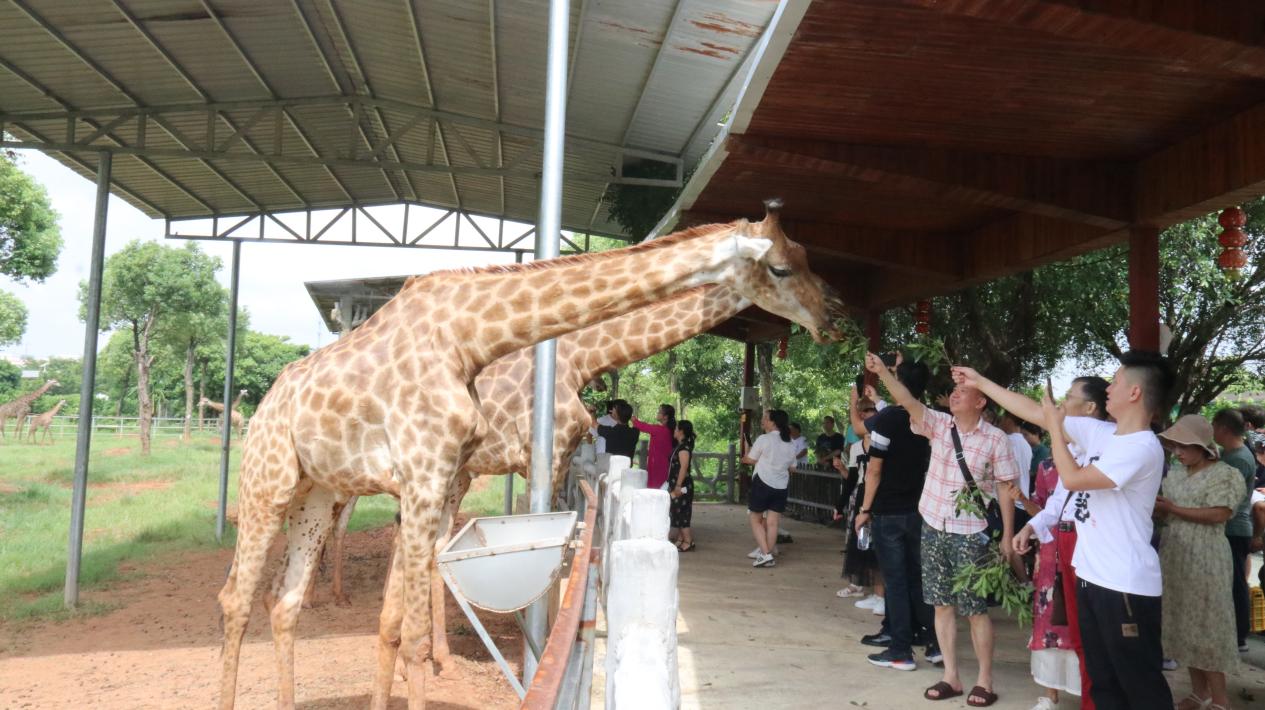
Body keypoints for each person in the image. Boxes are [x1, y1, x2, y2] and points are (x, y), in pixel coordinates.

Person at [957, 352, 1177, 709]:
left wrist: (1055, 430)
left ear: (1135, 393)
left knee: (1140, 685)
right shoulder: (1105, 433)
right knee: (1103, 682)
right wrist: (980, 382)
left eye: (1116, 381)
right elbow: (1035, 412)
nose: (1109, 388)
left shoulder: (1142, 447)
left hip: (1124, 585)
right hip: (1090, 575)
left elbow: (1073, 477)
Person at [867, 353, 1018, 706]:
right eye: (953, 390)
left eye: (963, 391)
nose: (954, 394)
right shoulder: (938, 425)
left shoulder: (997, 440)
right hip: (933, 527)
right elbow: (907, 400)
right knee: (941, 605)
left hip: (971, 533)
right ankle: (951, 676)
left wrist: (1008, 537)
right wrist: (883, 372)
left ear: (981, 402)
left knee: (975, 610)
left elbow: (1005, 489)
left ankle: (984, 681)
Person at [1008, 376, 1109, 710]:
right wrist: (1030, 528)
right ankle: (1063, 694)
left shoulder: (1110, 447)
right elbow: (1056, 505)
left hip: (1095, 554)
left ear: (1091, 408)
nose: (1062, 404)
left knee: (1095, 632)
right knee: (1065, 624)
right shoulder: (1065, 455)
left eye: (1069, 397)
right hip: (1060, 550)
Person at [849, 357, 938, 671]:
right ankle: (935, 645)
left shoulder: (887, 419)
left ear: (897, 383)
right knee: (918, 579)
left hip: (889, 512)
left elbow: (874, 470)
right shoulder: (930, 418)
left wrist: (864, 510)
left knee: (896, 582)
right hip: (920, 510)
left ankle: (900, 650)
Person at [1155, 414, 1246, 710]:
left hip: (1207, 556)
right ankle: (1198, 693)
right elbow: (1168, 510)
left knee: (1209, 627)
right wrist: (1159, 509)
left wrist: (1173, 509)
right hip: (1176, 553)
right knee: (1184, 624)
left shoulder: (1225, 474)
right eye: (1174, 446)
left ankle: (1219, 699)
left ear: (1202, 446)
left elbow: (1220, 513)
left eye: (1184, 446)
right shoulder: (1175, 474)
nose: (1178, 452)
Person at [1212, 408, 1256, 653]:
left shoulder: (1238, 458)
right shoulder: (1228, 454)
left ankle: (1239, 635)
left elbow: (1225, 497)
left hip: (1235, 529)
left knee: (1235, 583)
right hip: (1230, 528)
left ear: (1224, 428)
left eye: (1213, 426)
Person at [740, 409, 798, 568]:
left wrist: (746, 452)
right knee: (773, 523)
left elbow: (749, 460)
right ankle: (767, 553)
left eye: (766, 418)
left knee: (755, 520)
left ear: (773, 422)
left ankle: (765, 554)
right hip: (781, 486)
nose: (763, 421)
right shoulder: (791, 442)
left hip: (763, 483)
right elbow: (793, 468)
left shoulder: (764, 439)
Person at [633, 404, 676, 490]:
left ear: (665, 417)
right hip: (665, 466)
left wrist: (633, 419)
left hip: (657, 467)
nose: (657, 413)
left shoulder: (660, 430)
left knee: (655, 491)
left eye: (659, 412)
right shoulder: (670, 430)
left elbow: (643, 426)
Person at [669, 420, 696, 552]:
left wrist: (678, 485)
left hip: (682, 485)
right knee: (677, 510)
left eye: (676, 429)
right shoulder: (680, 446)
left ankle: (688, 541)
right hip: (677, 484)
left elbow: (683, 467)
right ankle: (681, 539)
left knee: (681, 512)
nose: (674, 431)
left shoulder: (684, 448)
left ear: (681, 431)